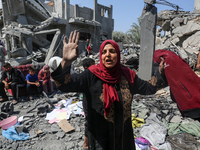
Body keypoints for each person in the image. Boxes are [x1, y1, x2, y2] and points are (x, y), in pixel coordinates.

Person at [49, 30, 165, 150]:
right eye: (104, 52)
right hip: (100, 139)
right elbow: (64, 85)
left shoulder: (128, 76)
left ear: (118, 55)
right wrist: (66, 62)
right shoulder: (91, 75)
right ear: (100, 56)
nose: (108, 55)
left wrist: (160, 73)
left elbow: (149, 88)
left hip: (123, 138)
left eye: (112, 51)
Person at [81, 58, 95, 150]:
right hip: (88, 102)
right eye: (93, 65)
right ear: (86, 68)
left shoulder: (92, 75)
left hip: (92, 101)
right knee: (89, 121)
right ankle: (86, 143)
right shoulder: (85, 77)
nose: (96, 67)